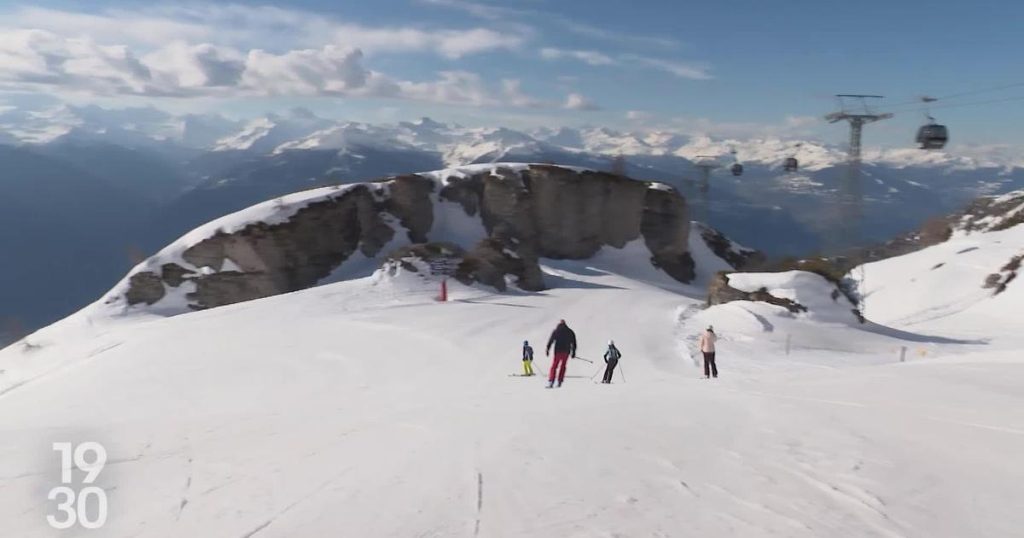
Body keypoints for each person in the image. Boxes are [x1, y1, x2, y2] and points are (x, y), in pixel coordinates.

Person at [545, 320, 577, 388]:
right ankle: (560, 381)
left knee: (554, 366)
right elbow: (574, 343)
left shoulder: (556, 331)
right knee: (563, 366)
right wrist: (573, 352)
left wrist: (548, 349)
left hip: (558, 351)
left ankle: (551, 381)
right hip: (566, 352)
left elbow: (551, 340)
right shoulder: (570, 331)